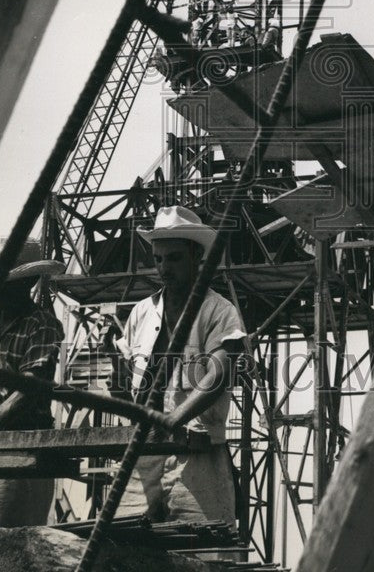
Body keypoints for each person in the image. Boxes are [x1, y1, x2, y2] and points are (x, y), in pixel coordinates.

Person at [115, 205, 246, 527]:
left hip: (197, 457)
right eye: (158, 259)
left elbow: (219, 374)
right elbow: (122, 375)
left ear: (196, 257)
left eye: (173, 259)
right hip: (143, 454)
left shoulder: (219, 311)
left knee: (198, 550)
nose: (163, 268)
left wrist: (172, 419)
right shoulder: (141, 313)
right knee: (127, 549)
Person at [0, 238, 65, 527]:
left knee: (7, 539)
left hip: (19, 449)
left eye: (5, 282)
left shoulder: (41, 323)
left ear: (28, 281)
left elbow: (29, 389)